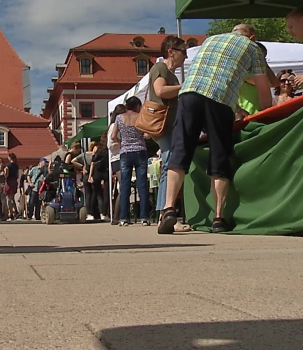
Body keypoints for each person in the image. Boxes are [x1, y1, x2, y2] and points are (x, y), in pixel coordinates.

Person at [159, 24, 272, 235]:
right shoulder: (253, 48)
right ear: (252, 36)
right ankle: (219, 218)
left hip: (189, 92)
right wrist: (269, 111)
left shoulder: (211, 39)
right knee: (219, 157)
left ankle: (168, 209)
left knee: (180, 152)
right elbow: (264, 92)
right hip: (220, 100)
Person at [148, 35, 192, 233]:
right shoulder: (161, 68)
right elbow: (160, 91)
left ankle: (163, 216)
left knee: (168, 165)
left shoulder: (169, 72)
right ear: (171, 51)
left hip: (167, 125)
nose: (186, 55)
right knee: (170, 164)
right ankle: (167, 215)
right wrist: (183, 87)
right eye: (183, 51)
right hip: (163, 125)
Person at [111, 97, 150, 227]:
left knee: (125, 186)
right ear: (137, 106)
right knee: (142, 185)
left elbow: (112, 136)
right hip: (140, 151)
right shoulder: (140, 116)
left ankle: (124, 218)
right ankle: (144, 217)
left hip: (125, 153)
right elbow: (147, 135)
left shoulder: (119, 118)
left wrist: (120, 142)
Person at [107, 105, 125, 225]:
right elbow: (110, 145)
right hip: (117, 159)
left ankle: (120, 216)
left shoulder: (117, 126)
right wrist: (122, 143)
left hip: (120, 158)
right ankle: (117, 216)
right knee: (123, 187)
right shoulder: (114, 126)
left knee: (123, 187)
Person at [88, 134, 109, 221]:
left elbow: (93, 161)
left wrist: (90, 175)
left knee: (96, 193)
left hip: (97, 171)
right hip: (106, 171)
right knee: (106, 193)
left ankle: (91, 213)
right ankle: (104, 213)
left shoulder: (96, 148)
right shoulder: (108, 149)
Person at [4, 153, 19, 220]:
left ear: (10, 157)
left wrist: (4, 173)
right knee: (12, 198)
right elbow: (17, 175)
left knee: (8, 199)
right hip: (14, 181)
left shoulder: (8, 165)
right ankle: (15, 211)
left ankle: (10, 213)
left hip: (9, 181)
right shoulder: (16, 166)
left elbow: (6, 174)